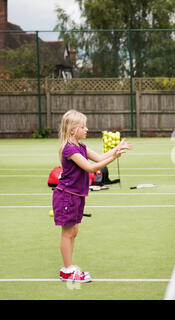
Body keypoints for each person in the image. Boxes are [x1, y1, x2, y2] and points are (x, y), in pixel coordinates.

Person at [53, 109, 132, 283]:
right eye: (83, 127)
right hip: (67, 196)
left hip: (77, 195)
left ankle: (69, 268)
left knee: (73, 231)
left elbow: (99, 157)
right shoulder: (69, 149)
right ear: (73, 130)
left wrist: (116, 148)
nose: (86, 129)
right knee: (67, 233)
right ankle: (67, 270)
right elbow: (90, 168)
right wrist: (114, 157)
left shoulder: (81, 147)